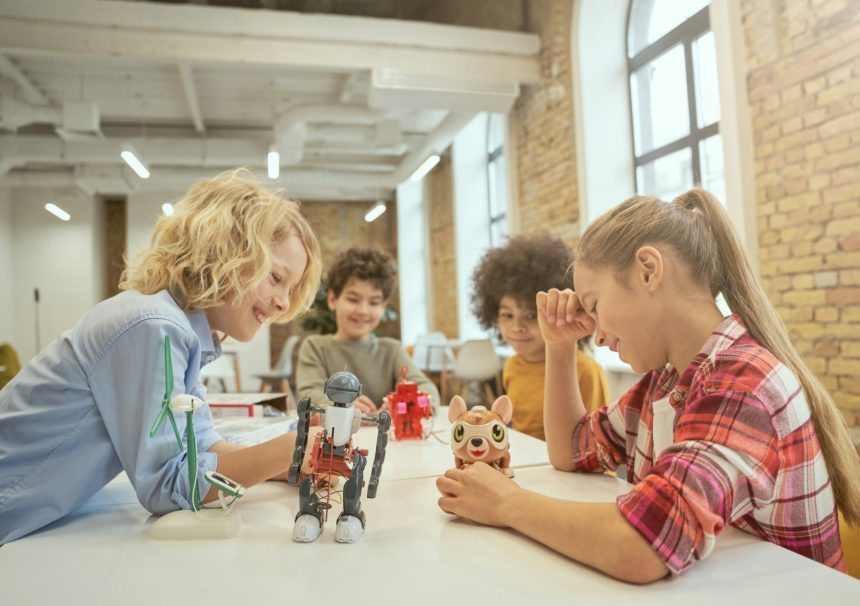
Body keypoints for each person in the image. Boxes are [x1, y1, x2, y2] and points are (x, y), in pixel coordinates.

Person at [437, 189, 860, 582]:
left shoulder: (741, 382)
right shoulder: (667, 380)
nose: (598, 335)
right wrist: (560, 347)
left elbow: (644, 545)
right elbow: (572, 448)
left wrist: (506, 504)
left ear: (648, 270)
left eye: (596, 306)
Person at [0, 168, 322, 544]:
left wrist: (291, 461)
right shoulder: (153, 326)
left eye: (292, 288)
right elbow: (169, 487)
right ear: (229, 251)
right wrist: (290, 447)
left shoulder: (175, 325)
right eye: (277, 278)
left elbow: (201, 446)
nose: (284, 303)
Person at [470, 234, 610, 440]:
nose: (517, 327)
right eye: (507, 315)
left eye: (531, 315)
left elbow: (601, 445)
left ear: (557, 312)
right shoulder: (512, 366)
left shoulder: (586, 371)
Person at [296, 247, 439, 415]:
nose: (363, 310)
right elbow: (309, 396)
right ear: (333, 299)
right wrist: (341, 407)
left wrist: (407, 404)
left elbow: (428, 391)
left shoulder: (392, 350)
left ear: (383, 307)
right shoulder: (315, 348)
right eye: (353, 299)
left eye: (374, 302)